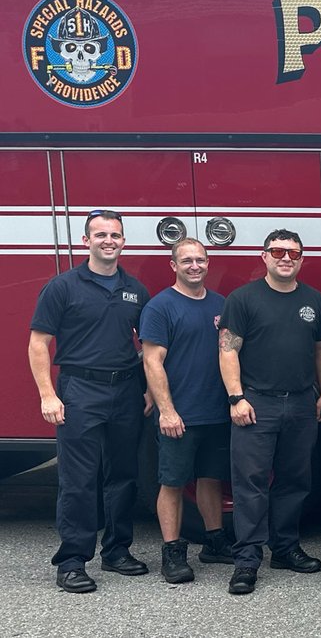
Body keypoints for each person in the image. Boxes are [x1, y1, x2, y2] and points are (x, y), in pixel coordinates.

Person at [28, 209, 151, 593]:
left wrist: (147, 388)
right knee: (79, 480)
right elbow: (38, 343)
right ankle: (72, 560)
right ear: (86, 241)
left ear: (124, 242)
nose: (108, 241)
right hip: (80, 390)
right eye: (100, 235)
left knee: (124, 475)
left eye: (115, 235)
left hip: (127, 390)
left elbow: (147, 344)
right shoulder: (62, 286)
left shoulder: (135, 289)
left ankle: (116, 551)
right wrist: (48, 394)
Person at [218, 229, 321, 595]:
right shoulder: (242, 299)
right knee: (250, 484)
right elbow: (227, 350)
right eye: (278, 251)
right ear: (264, 256)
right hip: (257, 403)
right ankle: (247, 560)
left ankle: (284, 548)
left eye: (294, 253)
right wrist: (236, 397)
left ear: (302, 259)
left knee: (295, 480)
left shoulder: (314, 301)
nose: (286, 258)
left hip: (301, 402)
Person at [140, 238, 234, 584]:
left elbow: (231, 351)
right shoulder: (160, 307)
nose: (195, 266)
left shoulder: (222, 305)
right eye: (187, 261)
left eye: (200, 260)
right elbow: (152, 361)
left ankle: (214, 542)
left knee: (211, 478)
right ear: (173, 265)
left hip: (216, 412)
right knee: (173, 482)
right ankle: (173, 552)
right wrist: (166, 411)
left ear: (208, 263)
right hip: (179, 415)